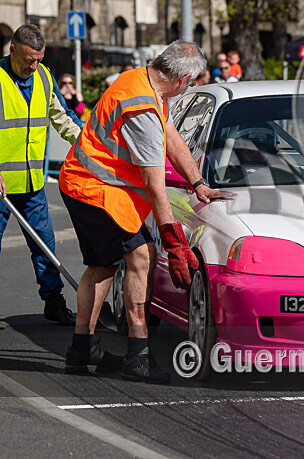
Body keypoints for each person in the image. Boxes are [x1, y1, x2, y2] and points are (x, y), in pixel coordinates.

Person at [59, 40, 231, 382]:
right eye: (192, 83)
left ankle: (81, 350)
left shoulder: (141, 81)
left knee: (102, 266)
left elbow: (172, 137)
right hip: (94, 189)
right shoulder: (143, 110)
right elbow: (155, 184)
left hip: (85, 183)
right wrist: (172, 240)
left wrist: (197, 181)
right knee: (143, 257)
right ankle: (137, 357)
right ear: (182, 81)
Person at [0, 25, 83, 325]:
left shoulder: (44, 77)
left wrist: (88, 145)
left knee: (46, 246)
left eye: (38, 59)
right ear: (12, 50)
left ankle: (54, 303)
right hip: (2, 188)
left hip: (33, 184)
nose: (33, 66)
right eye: (28, 59)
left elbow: (62, 117)